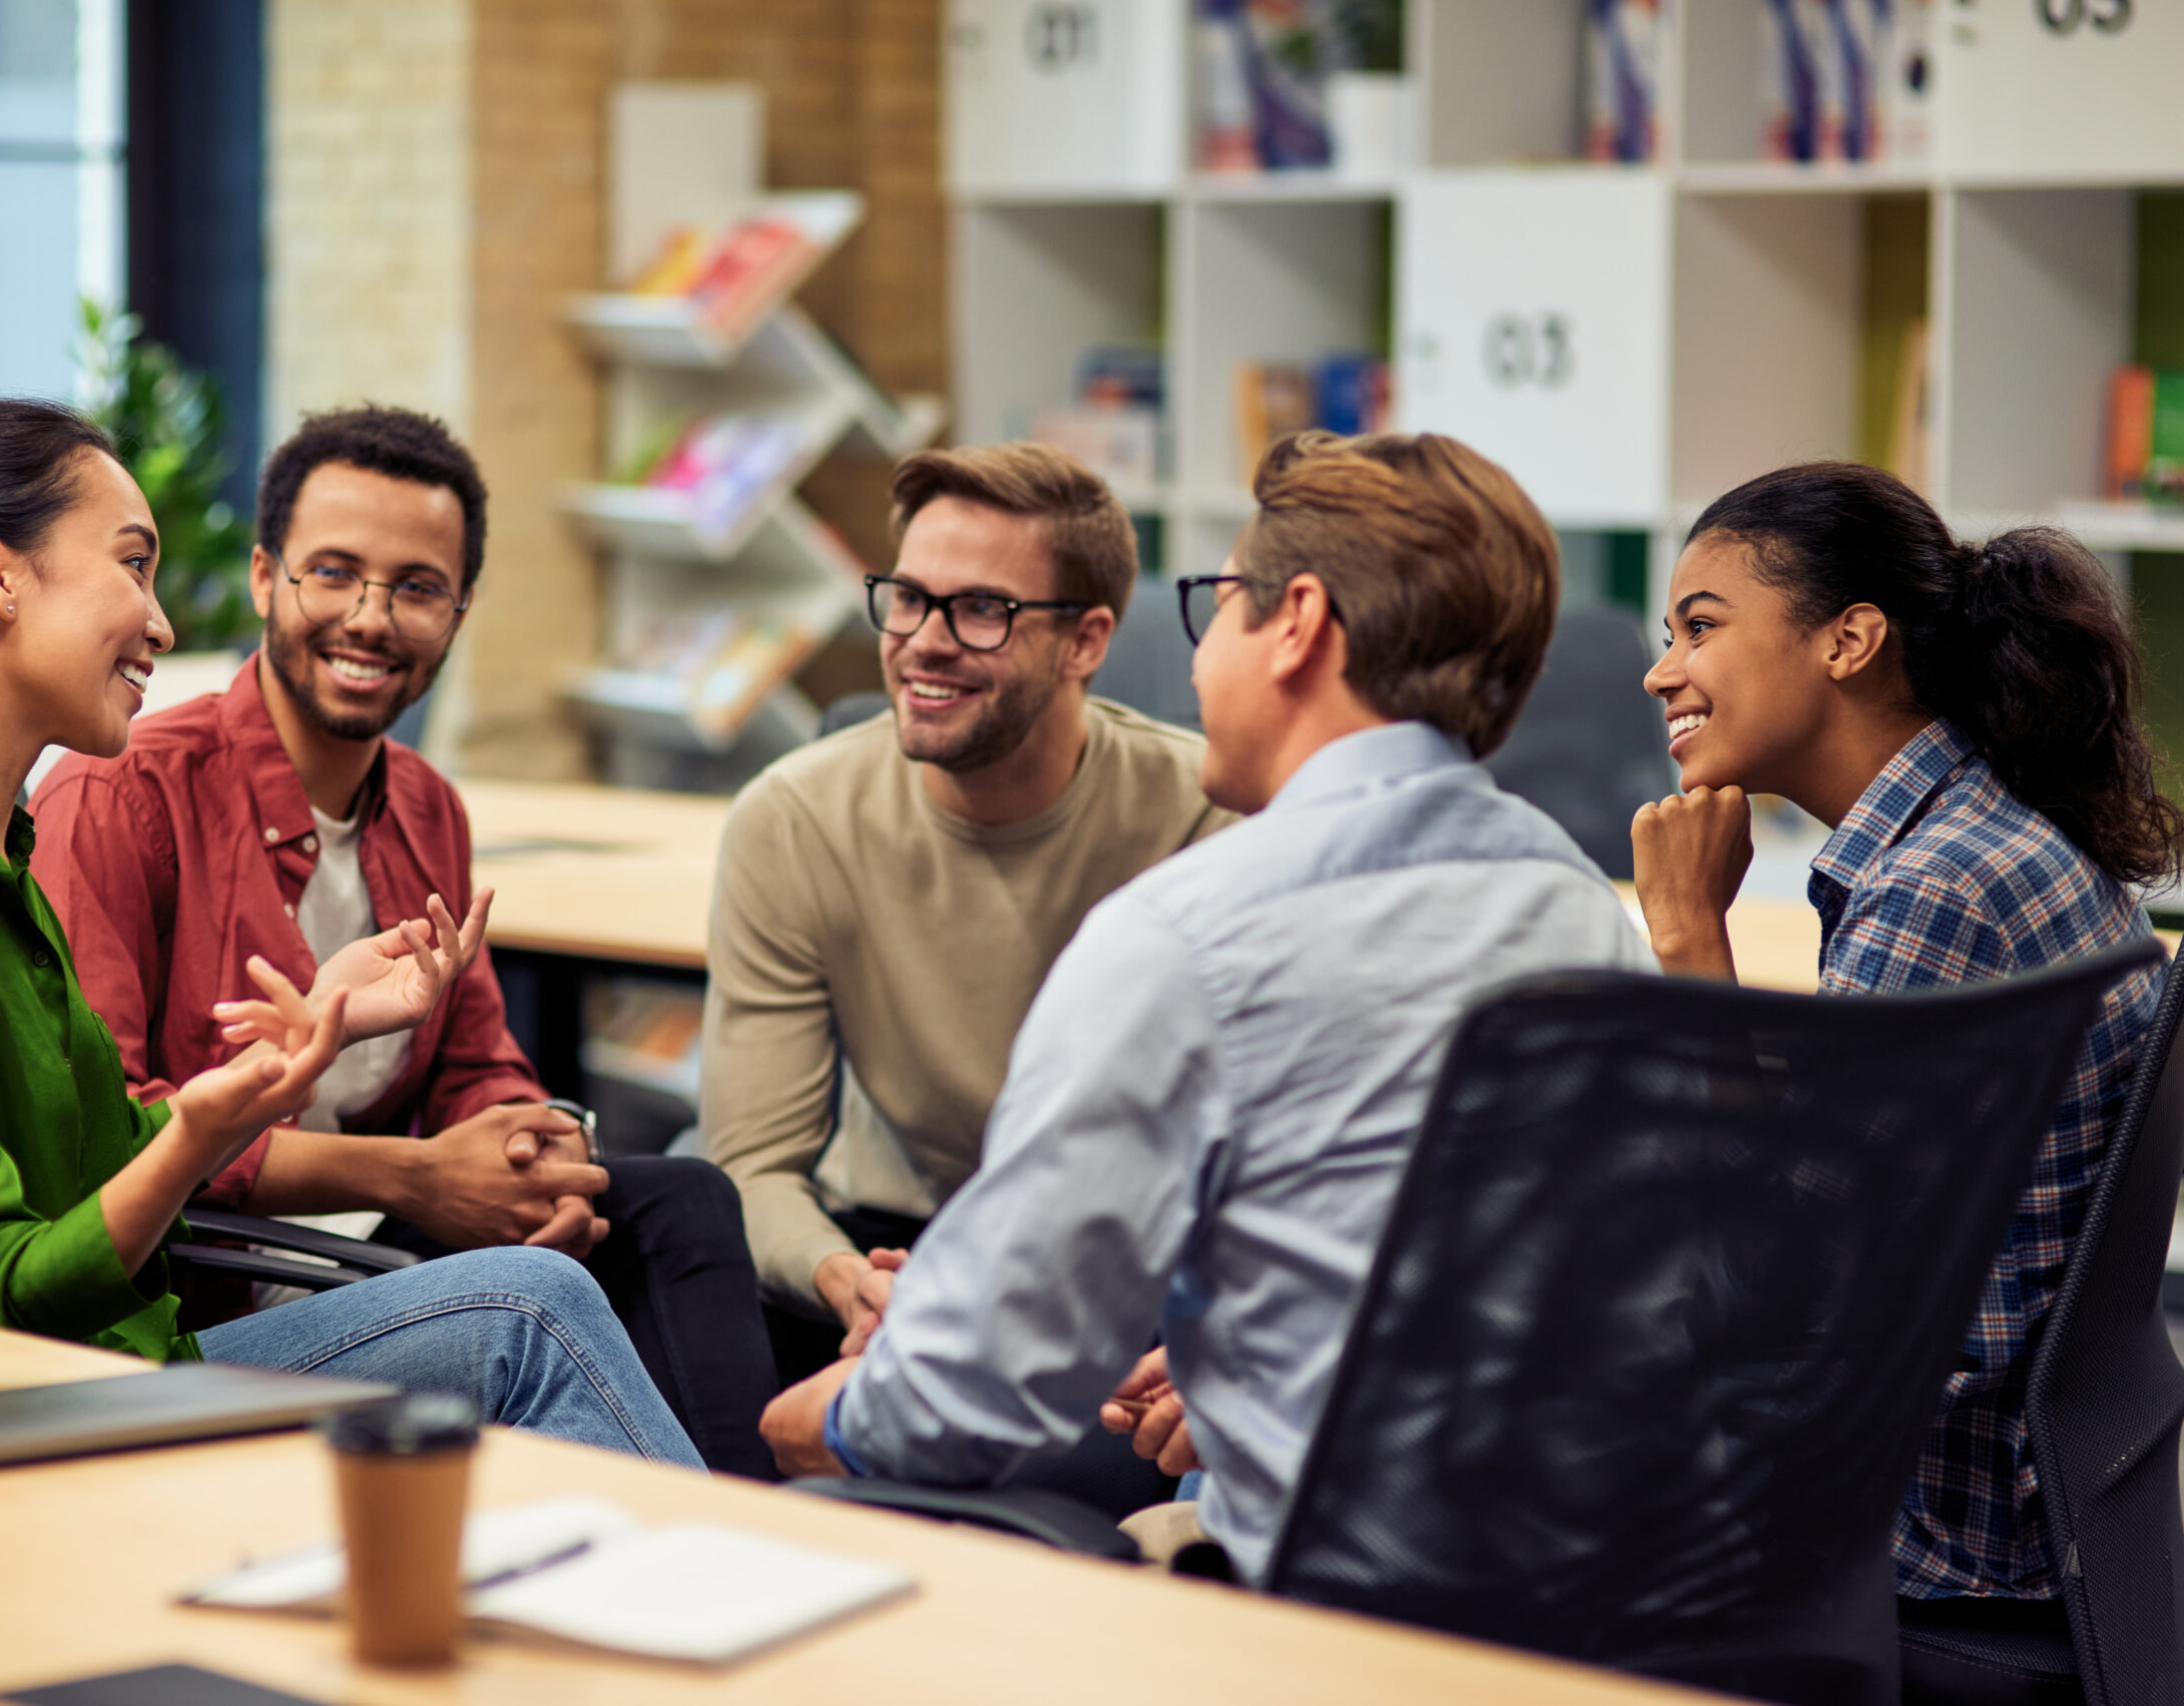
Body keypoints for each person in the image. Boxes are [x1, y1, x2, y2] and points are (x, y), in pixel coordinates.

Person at [0, 396, 701, 1467]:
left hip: (132, 1357)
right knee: (534, 1304)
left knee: (630, 1232)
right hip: (53, 1404)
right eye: (132, 566)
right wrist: (198, 1135)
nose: (162, 621)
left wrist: (285, 1056)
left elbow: (94, 1160)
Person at [757, 430, 1656, 1581]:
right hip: (1588, 1599)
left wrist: (816, 1422)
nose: (1192, 663)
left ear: (1297, 623)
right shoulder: (1582, 913)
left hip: (1320, 1619)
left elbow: (980, 1385)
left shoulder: (1190, 934)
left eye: (1219, 605)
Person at [26, 406, 777, 1477]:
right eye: (332, 572)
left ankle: (766, 1519)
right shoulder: (121, 793)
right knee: (547, 1299)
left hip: (360, 1251)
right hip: (193, 1299)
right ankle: (724, 1543)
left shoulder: (427, 808)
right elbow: (117, 1130)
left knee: (683, 1197)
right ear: (263, 579)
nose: (371, 618)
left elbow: (477, 1065)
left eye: (418, 586)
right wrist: (420, 1175)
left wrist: (535, 1158)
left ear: (458, 612)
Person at [1627, 461, 2176, 1623]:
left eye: (1699, 625)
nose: (1660, 669)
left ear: (1849, 638)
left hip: (1920, 1538)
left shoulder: (1938, 886)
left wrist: (1687, 940)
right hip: (2013, 1512)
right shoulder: (1978, 832)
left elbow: (1770, 1290)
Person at [702, 442, 1232, 1373]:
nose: (924, 640)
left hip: (1123, 1270)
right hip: (889, 1243)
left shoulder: (1204, 812)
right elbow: (753, 1168)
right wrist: (841, 1278)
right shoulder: (792, 818)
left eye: (983, 608)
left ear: (1087, 641)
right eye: (908, 597)